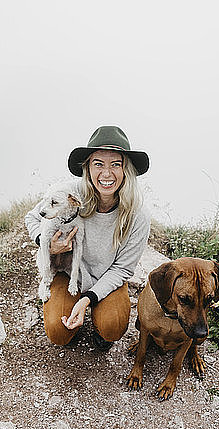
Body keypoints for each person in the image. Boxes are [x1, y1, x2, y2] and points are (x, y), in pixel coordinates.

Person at [25, 126, 151, 351]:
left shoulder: (137, 215)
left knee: (112, 327)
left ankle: (99, 324)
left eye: (116, 164)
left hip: (105, 277)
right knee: (58, 332)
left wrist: (87, 299)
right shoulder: (70, 192)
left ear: (126, 170)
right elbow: (32, 218)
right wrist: (47, 245)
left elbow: (122, 269)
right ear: (87, 167)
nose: (106, 173)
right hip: (68, 271)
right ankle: (68, 317)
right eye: (98, 163)